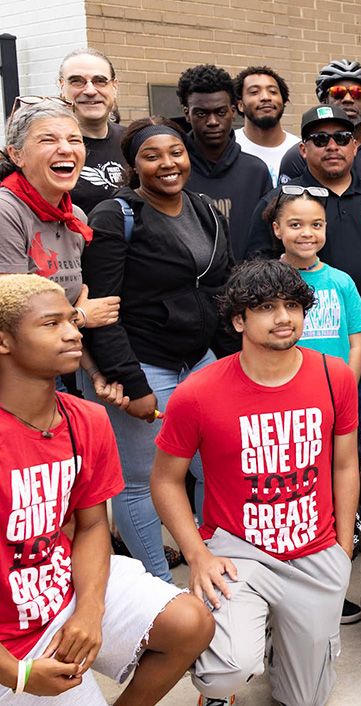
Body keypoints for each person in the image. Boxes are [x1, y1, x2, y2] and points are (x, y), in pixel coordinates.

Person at [152, 260, 359, 706]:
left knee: (304, 699)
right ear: (238, 320)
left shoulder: (333, 375)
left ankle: (275, 638)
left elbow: (345, 465)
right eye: (266, 307)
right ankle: (231, 651)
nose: (283, 317)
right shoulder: (198, 392)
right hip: (236, 551)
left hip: (315, 549)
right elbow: (166, 480)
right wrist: (198, 555)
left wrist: (342, 548)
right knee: (224, 673)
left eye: (291, 305)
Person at [0, 274, 213, 706]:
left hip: (60, 591)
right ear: (4, 341)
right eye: (51, 324)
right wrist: (18, 674)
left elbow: (93, 523)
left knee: (192, 622)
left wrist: (90, 610)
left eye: (72, 320)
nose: (73, 333)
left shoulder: (86, 419)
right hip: (9, 642)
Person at [82, 117, 232, 581]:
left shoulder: (205, 209)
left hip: (200, 362)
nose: (167, 163)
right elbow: (103, 311)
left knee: (214, 468)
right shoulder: (116, 216)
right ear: (133, 164)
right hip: (144, 364)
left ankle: (209, 563)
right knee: (141, 484)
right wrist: (133, 382)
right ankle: (157, 589)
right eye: (152, 155)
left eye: (176, 152)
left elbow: (220, 287)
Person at [245, 105, 361, 409]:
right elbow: (254, 276)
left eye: (342, 138)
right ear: (303, 149)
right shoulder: (281, 203)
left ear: (355, 145)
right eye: (319, 139)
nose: (332, 146)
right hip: (299, 364)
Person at [0, 98, 118, 337]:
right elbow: (11, 317)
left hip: (60, 359)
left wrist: (94, 372)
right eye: (48, 139)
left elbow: (75, 301)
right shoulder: (6, 210)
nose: (66, 149)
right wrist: (81, 317)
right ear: (16, 155)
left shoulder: (76, 216)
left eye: (74, 140)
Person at [265, 188, 361, 376]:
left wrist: (349, 391)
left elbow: (355, 345)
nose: (307, 233)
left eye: (316, 225)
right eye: (295, 225)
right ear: (277, 229)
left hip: (336, 390)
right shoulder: (267, 283)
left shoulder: (342, 281)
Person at [176, 64, 273, 261]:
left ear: (233, 110)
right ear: (187, 113)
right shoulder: (173, 171)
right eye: (201, 113)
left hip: (247, 287)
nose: (212, 121)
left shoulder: (256, 171)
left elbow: (266, 241)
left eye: (220, 112)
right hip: (189, 288)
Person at [278, 60, 361, 194]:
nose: (348, 99)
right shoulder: (298, 156)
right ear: (324, 102)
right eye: (338, 92)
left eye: (357, 93)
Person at [58, 48, 128, 215]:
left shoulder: (132, 141)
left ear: (114, 87)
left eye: (100, 81)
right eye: (77, 81)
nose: (90, 90)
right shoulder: (50, 149)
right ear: (62, 86)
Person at [232, 65, 299, 186]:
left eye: (273, 92)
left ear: (283, 101)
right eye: (254, 92)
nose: (266, 97)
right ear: (240, 105)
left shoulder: (300, 150)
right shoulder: (229, 147)